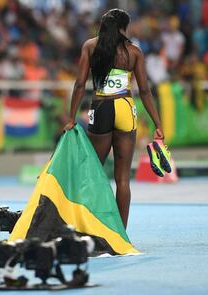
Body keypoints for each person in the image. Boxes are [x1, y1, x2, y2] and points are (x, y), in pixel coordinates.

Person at [64, 9, 164, 229]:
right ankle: (121, 235)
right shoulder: (134, 51)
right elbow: (145, 91)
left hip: (101, 106)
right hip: (125, 107)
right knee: (123, 178)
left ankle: (89, 228)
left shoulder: (91, 46)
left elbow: (80, 85)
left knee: (93, 173)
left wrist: (71, 118)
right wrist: (158, 124)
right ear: (123, 28)